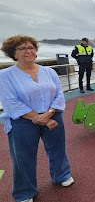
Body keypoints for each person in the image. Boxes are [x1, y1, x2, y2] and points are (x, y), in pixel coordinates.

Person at [0, 35, 74, 202]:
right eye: (23, 48)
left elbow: (58, 94)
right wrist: (43, 118)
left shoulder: (49, 72)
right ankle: (25, 192)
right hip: (22, 121)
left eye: (31, 47)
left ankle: (61, 175)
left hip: (53, 115)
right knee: (23, 157)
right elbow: (12, 103)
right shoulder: (5, 76)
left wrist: (49, 113)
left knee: (57, 149)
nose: (29, 51)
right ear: (13, 53)